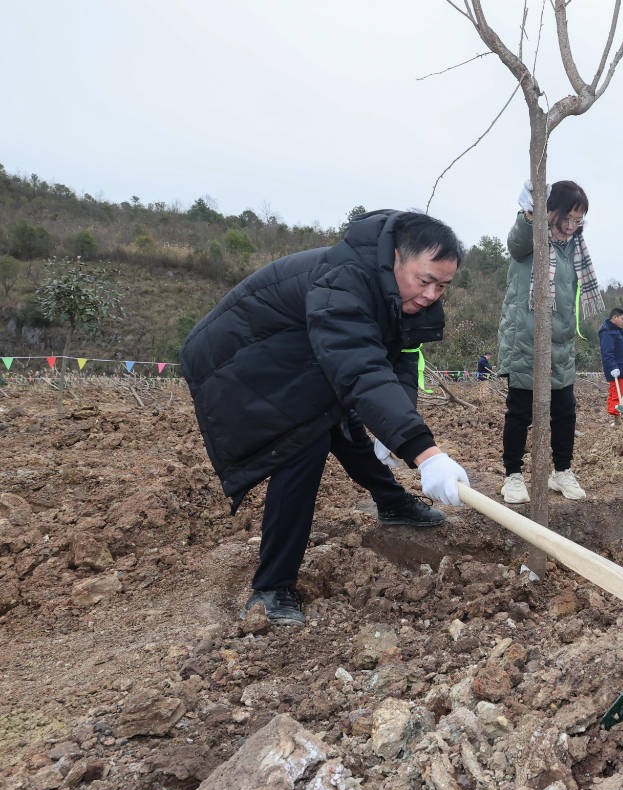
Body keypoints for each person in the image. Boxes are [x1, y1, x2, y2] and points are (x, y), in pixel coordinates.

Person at [181, 210, 471, 625]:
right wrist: (424, 452)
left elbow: (401, 361)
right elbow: (360, 369)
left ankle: (391, 503)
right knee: (303, 441)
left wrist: (395, 428)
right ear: (395, 257)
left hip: (303, 356)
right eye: (425, 281)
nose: (431, 295)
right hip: (241, 361)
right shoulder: (344, 281)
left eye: (442, 286)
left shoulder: (402, 296)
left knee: (340, 419)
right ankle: (271, 588)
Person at [498, 180, 605, 504]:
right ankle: (513, 476)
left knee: (565, 411)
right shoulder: (532, 238)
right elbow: (516, 243)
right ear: (552, 211)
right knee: (520, 411)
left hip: (560, 341)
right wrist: (530, 214)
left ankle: (561, 471)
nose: (572, 225)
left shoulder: (575, 247)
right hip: (526, 338)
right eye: (567, 217)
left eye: (578, 220)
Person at [598, 307, 623, 423]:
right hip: (617, 370)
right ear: (614, 317)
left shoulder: (617, 331)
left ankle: (620, 417)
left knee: (622, 394)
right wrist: (613, 367)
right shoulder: (607, 332)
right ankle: (617, 420)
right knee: (617, 394)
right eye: (622, 319)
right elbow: (607, 352)